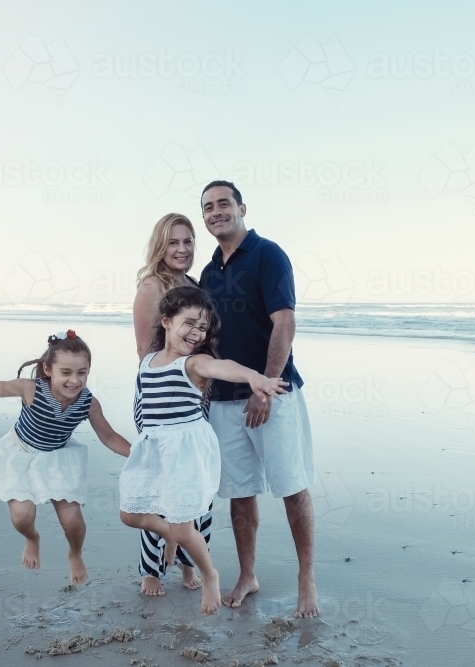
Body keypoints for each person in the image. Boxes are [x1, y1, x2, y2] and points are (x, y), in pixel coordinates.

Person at [118, 286, 288, 615]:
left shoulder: (195, 363)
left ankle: (209, 574)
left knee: (184, 526)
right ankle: (172, 537)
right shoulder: (148, 362)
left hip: (185, 452)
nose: (197, 332)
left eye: (203, 327)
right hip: (153, 450)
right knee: (130, 514)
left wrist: (254, 376)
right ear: (166, 321)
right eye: (190, 323)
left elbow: (221, 367)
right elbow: (142, 404)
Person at [198, 180, 318, 618]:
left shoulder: (269, 254)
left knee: (291, 486)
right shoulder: (209, 271)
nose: (216, 212)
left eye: (223, 203)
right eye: (208, 207)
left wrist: (265, 385)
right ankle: (248, 574)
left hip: (275, 392)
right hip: (224, 401)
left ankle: (307, 577)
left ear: (242, 207)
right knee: (240, 492)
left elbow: (284, 322)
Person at [0, 328, 131, 584]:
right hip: (20, 454)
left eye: (82, 373)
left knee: (73, 520)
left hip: (57, 458)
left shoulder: (88, 403)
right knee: (22, 516)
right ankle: (32, 538)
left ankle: (75, 552)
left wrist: (137, 455)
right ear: (48, 370)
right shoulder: (30, 389)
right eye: (65, 372)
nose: (74, 381)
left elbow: (109, 436)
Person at [132, 213, 212, 596]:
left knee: (194, 485)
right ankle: (151, 570)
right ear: (160, 246)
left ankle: (186, 564)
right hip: (158, 396)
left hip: (192, 394)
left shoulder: (194, 285)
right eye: (174, 242)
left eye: (188, 241)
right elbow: (145, 352)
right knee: (158, 487)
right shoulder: (151, 287)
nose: (182, 249)